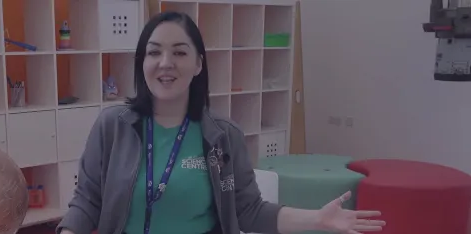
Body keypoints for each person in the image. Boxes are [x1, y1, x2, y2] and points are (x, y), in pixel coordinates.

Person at [56, 11, 386, 234]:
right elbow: (88, 199)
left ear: (199, 64)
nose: (165, 63)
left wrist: (317, 218)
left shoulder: (219, 140)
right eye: (154, 52)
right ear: (142, 62)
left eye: (180, 53)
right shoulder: (114, 127)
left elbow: (247, 209)